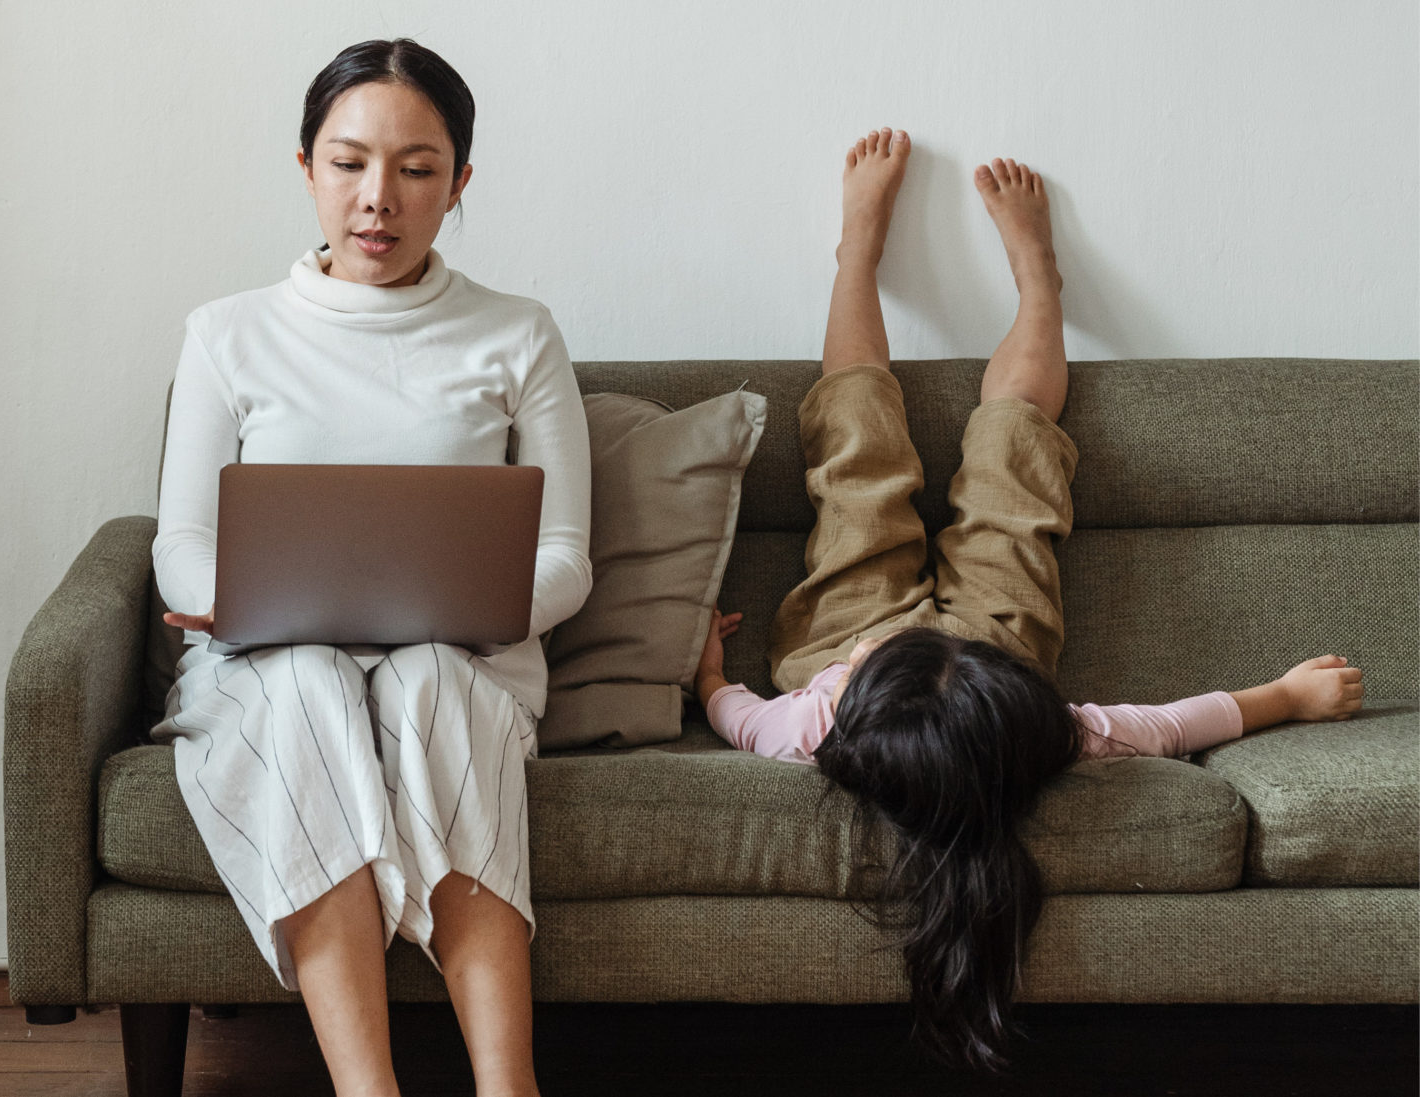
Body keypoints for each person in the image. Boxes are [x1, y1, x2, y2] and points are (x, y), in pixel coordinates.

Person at [694, 128, 1365, 1071]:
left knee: (855, 450)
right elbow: (1170, 724)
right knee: (1015, 449)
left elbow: (739, 719)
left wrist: (711, 670)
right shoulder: (1038, 726)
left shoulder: (813, 719)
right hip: (991, 648)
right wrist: (1284, 697)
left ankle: (857, 254)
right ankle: (1040, 284)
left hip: (848, 636)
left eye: (848, 691)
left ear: (838, 717)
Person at [150, 39, 591, 1097]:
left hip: (463, 653)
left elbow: (566, 556)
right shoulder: (228, 334)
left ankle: (507, 1084)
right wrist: (228, 600)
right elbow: (179, 546)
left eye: (416, 168)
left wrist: (468, 611)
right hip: (271, 658)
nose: (377, 199)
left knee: (431, 678)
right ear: (306, 167)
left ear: (461, 183)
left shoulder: (519, 335)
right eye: (348, 164)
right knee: (306, 683)